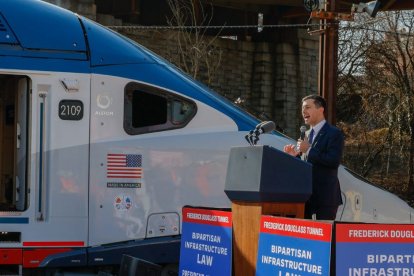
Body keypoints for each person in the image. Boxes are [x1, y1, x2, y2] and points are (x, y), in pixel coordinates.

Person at [284, 94, 344, 220]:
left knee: (325, 237)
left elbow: (333, 161)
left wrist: (309, 150)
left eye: (307, 107)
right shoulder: (305, 134)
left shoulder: (334, 133)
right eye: (302, 109)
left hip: (326, 197)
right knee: (305, 236)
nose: (303, 111)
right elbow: (305, 164)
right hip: (305, 196)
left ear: (320, 109)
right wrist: (294, 157)